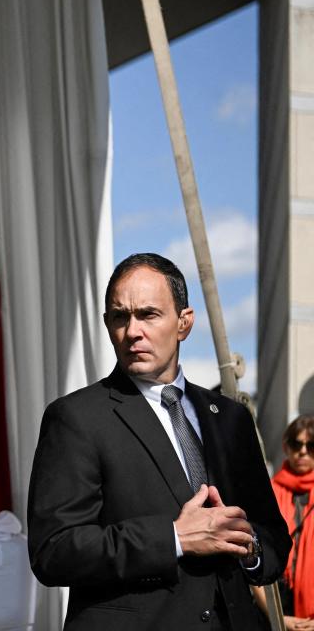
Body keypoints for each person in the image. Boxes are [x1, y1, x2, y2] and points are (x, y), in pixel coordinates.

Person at [28, 252, 291, 630]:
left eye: (148, 314)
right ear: (107, 324)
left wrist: (248, 545)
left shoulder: (230, 418)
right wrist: (174, 539)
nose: (132, 330)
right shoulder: (75, 418)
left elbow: (273, 538)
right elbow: (53, 552)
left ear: (184, 323)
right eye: (120, 316)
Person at [252, 416, 314, 630]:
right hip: (274, 610)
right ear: (286, 447)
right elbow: (252, 555)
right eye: (297, 444)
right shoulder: (266, 493)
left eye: (311, 445)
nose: (303, 452)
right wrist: (276, 617)